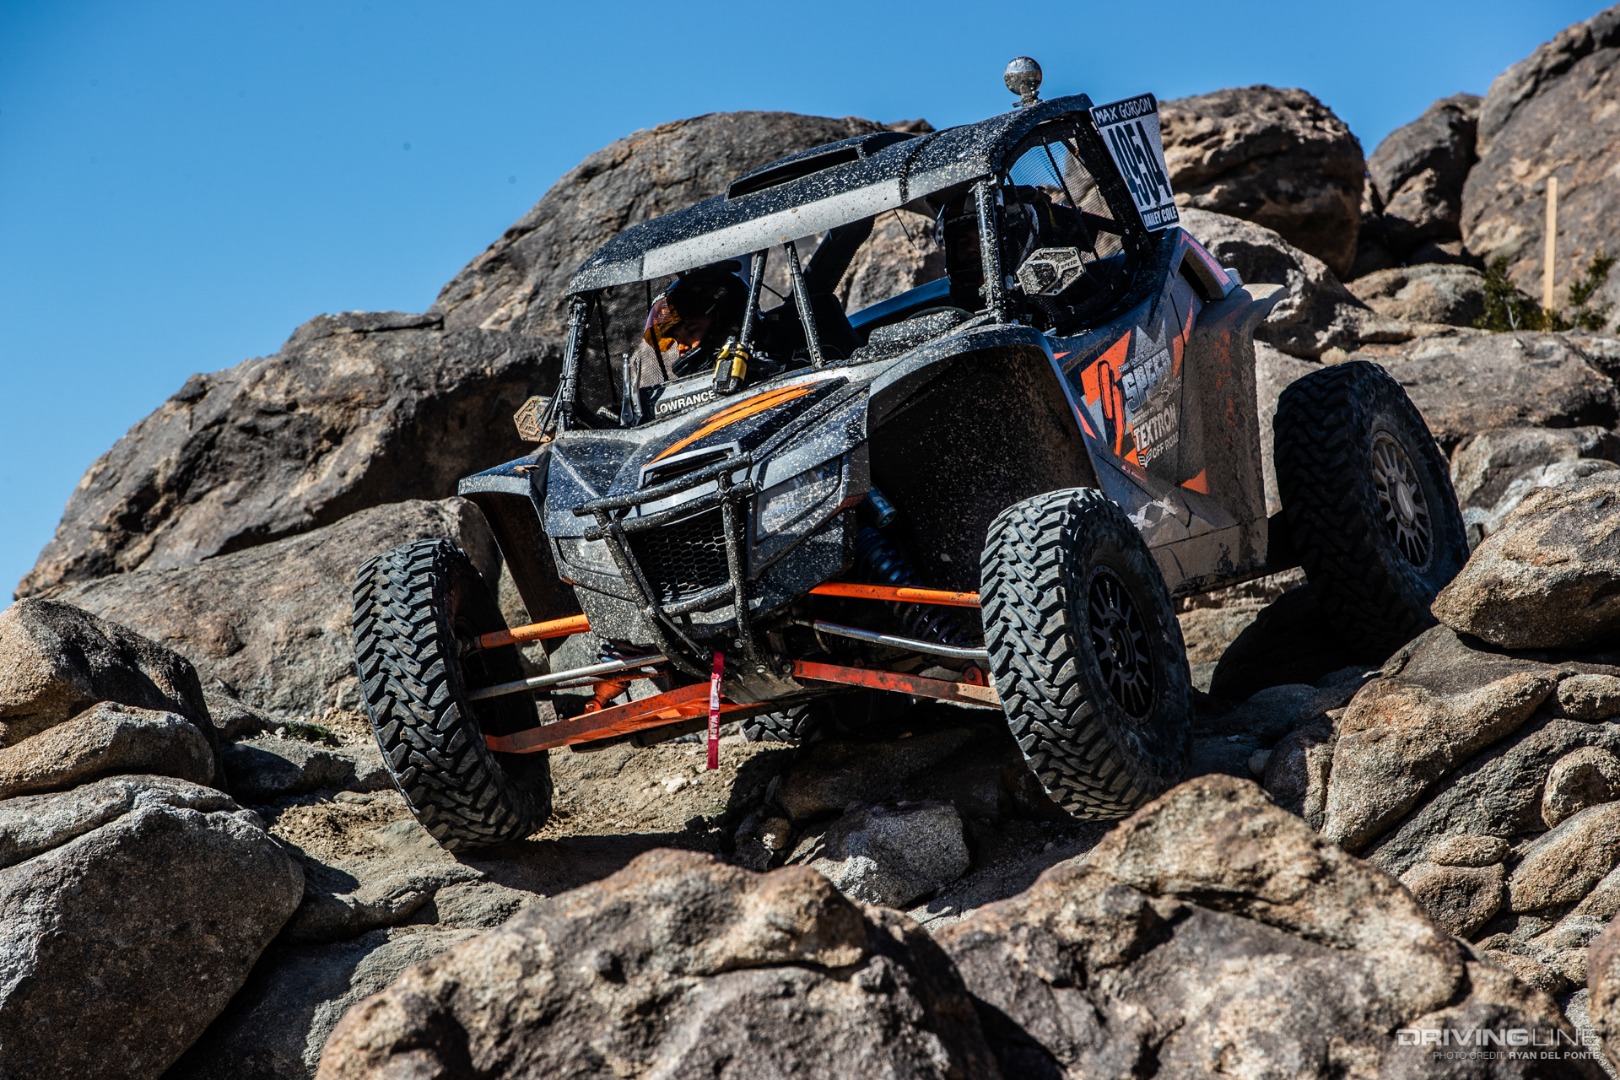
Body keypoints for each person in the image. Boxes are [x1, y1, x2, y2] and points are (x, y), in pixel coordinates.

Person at [640, 263, 749, 378]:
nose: (682, 348)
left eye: (692, 331)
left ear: (724, 323)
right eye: (678, 340)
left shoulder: (760, 370)